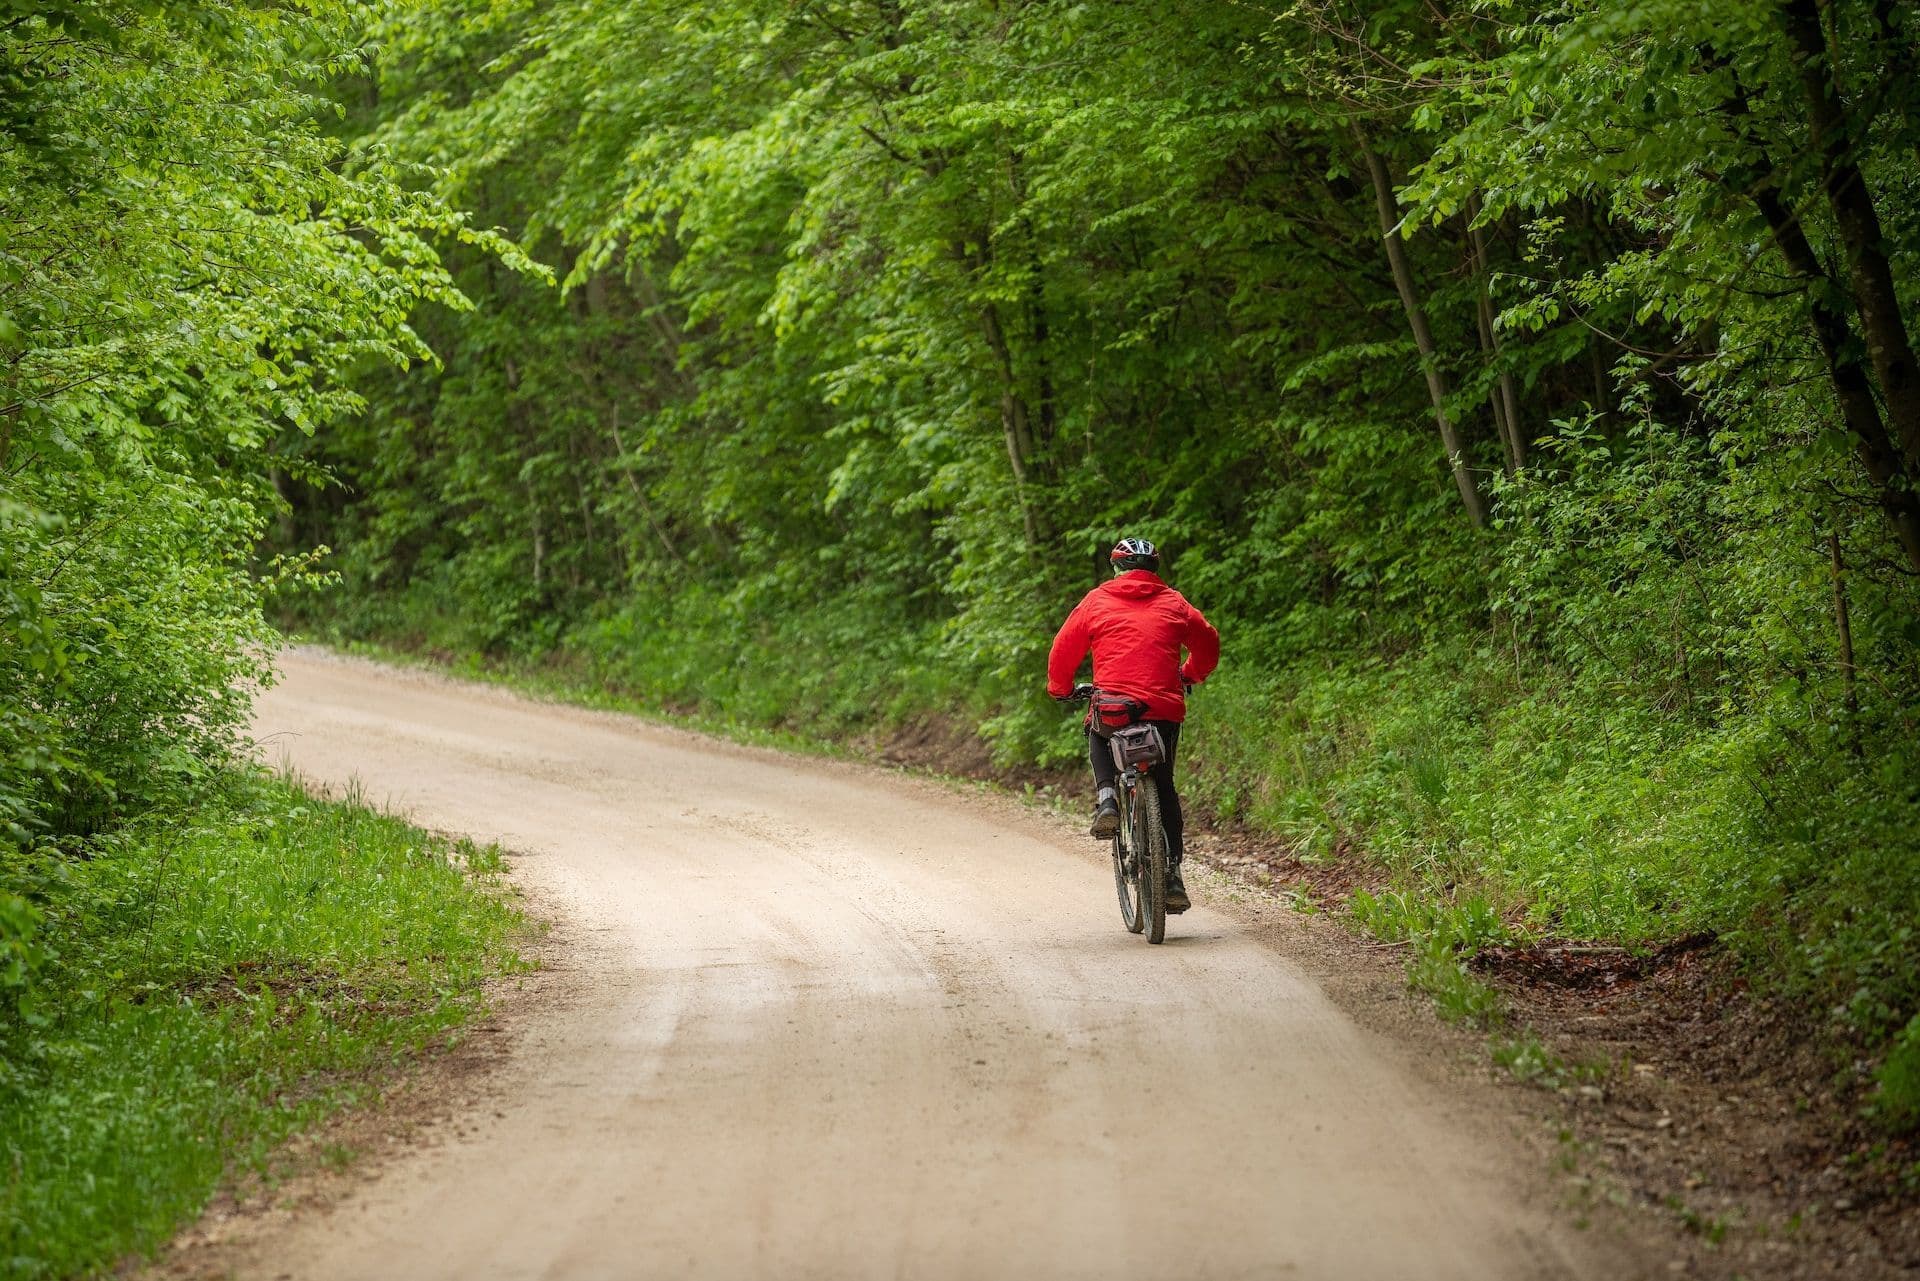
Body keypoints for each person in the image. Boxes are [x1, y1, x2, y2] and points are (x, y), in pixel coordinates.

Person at [1046, 536, 1220, 913]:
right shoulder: (1175, 602)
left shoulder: (1096, 601)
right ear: (1154, 570)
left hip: (1114, 706)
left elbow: (1064, 647)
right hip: (1163, 708)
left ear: (1116, 569)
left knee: (1096, 729)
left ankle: (1107, 797)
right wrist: (1189, 675)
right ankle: (1171, 874)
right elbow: (1208, 643)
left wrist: (1060, 688)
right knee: (1164, 783)